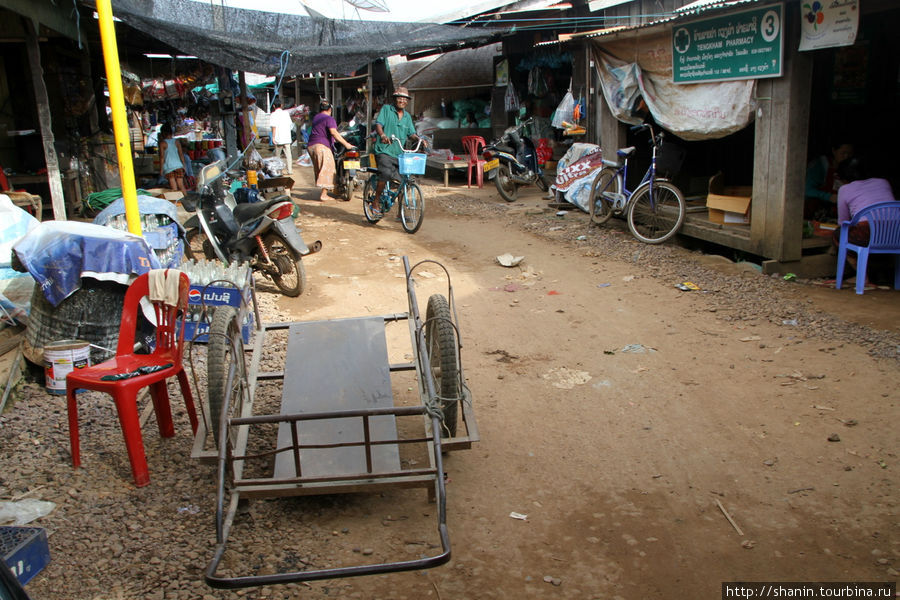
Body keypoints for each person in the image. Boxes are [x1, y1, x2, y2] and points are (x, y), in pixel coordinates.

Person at [831, 157, 897, 288]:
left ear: (842, 177)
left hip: (867, 232)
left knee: (840, 234)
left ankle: (862, 277)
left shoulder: (845, 189)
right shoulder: (883, 182)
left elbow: (843, 222)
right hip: (895, 232)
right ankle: (883, 275)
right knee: (872, 236)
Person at [370, 86, 425, 215]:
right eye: (400, 98)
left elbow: (411, 133)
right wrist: (382, 135)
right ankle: (376, 201)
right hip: (384, 150)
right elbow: (379, 124)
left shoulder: (407, 116)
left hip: (400, 153)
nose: (402, 101)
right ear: (395, 99)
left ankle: (401, 212)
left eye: (405, 99)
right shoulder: (386, 110)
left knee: (404, 180)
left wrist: (419, 139)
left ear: (407, 101)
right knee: (386, 173)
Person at [306, 100, 355, 201]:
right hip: (322, 146)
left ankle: (332, 189)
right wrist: (346, 144)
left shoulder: (316, 117)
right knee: (328, 168)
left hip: (311, 145)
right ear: (330, 110)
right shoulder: (329, 118)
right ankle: (324, 195)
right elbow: (334, 132)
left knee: (320, 168)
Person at [805, 140, 853, 220]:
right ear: (834, 151)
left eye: (850, 154)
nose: (846, 157)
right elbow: (807, 190)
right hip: (816, 212)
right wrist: (829, 197)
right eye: (843, 153)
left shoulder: (852, 169)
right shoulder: (822, 165)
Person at [158, 123, 188, 196]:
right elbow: (181, 155)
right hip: (178, 166)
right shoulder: (176, 142)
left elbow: (162, 157)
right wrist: (184, 165)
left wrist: (161, 169)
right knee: (181, 185)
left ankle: (176, 202)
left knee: (173, 187)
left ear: (163, 133)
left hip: (169, 167)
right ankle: (186, 199)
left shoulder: (162, 143)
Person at [269, 98, 294, 176]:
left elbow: (273, 127)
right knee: (288, 155)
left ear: (273, 106)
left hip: (278, 138)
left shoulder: (273, 114)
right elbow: (291, 125)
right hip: (286, 137)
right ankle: (290, 170)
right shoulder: (286, 113)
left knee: (277, 156)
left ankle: (278, 171)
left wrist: (273, 137)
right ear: (281, 105)